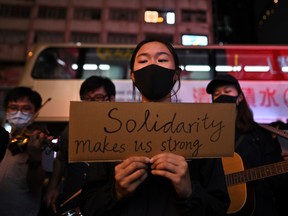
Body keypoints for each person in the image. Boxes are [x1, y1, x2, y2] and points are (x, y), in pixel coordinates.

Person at [79, 39, 230, 216]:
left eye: (162, 60)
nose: (152, 66)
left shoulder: (203, 129)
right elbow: (88, 206)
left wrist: (190, 191)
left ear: (176, 73)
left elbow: (220, 206)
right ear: (133, 75)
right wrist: (116, 192)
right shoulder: (109, 129)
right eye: (143, 61)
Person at [206, 74, 288, 216]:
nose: (221, 97)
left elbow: (278, 181)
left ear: (240, 97)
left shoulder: (262, 134)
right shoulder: (206, 135)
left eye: (227, 92)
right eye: (216, 94)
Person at [44, 75, 116, 215]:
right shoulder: (72, 129)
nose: (92, 103)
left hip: (105, 200)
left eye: (99, 98)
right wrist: (53, 186)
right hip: (72, 196)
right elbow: (61, 158)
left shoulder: (120, 129)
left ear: (112, 99)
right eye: (87, 99)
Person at [0, 86, 49, 216]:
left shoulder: (39, 140)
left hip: (22, 211)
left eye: (26, 108)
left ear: (36, 113)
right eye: (13, 108)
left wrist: (35, 158)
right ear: (6, 111)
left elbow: (36, 185)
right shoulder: (5, 139)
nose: (19, 113)